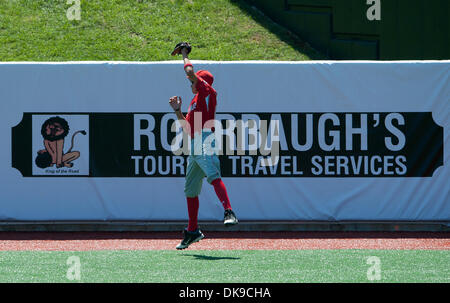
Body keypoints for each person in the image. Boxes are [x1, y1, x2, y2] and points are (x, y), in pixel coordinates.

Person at [169, 44, 238, 250]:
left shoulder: (207, 91)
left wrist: (183, 54)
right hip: (194, 143)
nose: (190, 81)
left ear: (201, 82)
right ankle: (192, 231)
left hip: (205, 139)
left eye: (194, 80)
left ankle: (229, 211)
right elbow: (186, 127)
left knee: (213, 176)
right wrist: (177, 110)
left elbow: (189, 72)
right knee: (190, 190)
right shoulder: (194, 102)